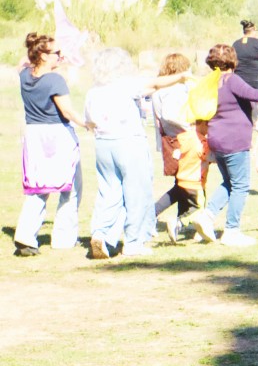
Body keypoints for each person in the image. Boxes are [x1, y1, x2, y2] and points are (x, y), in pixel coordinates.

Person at [83, 48, 188, 259]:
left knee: (108, 191)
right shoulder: (125, 85)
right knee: (137, 193)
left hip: (103, 144)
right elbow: (155, 84)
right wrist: (182, 77)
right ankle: (134, 241)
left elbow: (89, 123)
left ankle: (101, 233)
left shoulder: (93, 92)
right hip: (129, 142)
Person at [194, 44, 258, 247]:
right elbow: (253, 94)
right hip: (234, 141)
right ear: (232, 60)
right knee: (241, 185)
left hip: (217, 140)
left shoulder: (211, 82)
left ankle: (207, 216)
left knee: (229, 182)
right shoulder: (231, 79)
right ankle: (231, 231)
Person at [14, 34, 85, 256]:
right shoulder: (55, 80)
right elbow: (66, 111)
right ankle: (64, 238)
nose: (61, 56)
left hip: (35, 134)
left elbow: (22, 64)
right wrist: (88, 123)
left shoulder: (25, 75)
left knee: (38, 188)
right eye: (57, 53)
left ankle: (25, 235)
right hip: (57, 135)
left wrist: (35, 59)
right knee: (71, 187)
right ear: (43, 55)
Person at [152, 52, 206, 243]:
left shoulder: (159, 89)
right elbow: (169, 115)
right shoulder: (174, 90)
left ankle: (184, 220)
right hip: (181, 139)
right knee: (188, 183)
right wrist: (190, 128)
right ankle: (153, 213)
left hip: (170, 139)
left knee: (183, 183)